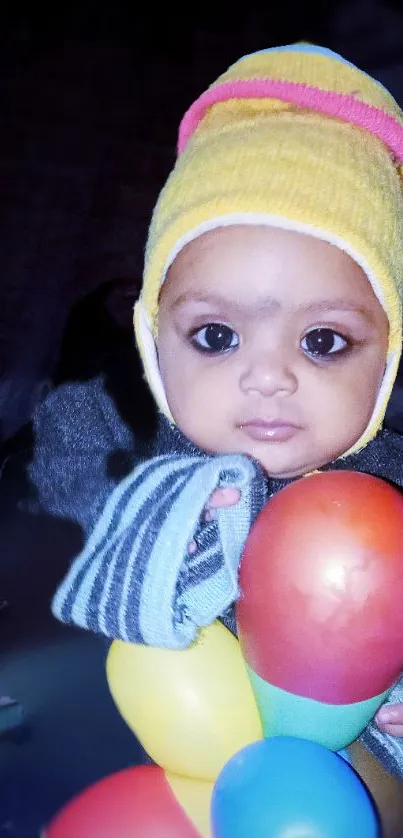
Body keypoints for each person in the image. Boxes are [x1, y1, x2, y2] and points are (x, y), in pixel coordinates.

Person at [31, 44, 403, 835]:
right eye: (215, 336)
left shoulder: (391, 487)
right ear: (153, 342)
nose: (266, 377)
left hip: (362, 753)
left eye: (323, 343)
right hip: (176, 755)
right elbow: (60, 474)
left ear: (388, 360)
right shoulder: (128, 451)